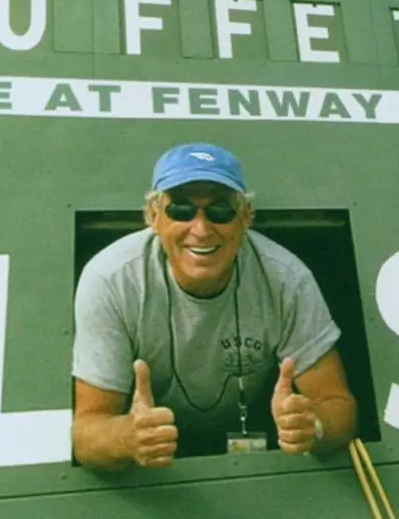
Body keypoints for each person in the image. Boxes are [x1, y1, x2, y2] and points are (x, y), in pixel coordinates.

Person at [71, 142, 358, 470]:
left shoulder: (287, 279)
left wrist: (313, 427)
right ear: (152, 216)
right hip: (151, 471)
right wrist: (128, 436)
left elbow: (338, 405)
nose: (201, 229)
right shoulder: (111, 279)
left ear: (246, 217)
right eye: (181, 210)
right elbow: (86, 433)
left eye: (220, 211)